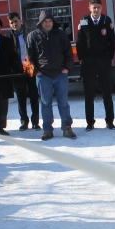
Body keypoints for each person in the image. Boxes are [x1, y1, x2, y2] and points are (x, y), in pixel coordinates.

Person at [26, 10, 75, 140]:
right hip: (43, 76)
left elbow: (68, 53)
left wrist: (67, 68)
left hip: (60, 74)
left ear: (53, 22)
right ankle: (47, 130)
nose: (47, 24)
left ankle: (67, 127)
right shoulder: (33, 36)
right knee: (46, 103)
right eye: (45, 21)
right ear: (40, 22)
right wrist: (36, 71)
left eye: (49, 21)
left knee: (63, 103)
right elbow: (29, 57)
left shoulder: (61, 35)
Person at [76, 0, 115, 131]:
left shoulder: (106, 20)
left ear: (101, 8)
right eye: (94, 7)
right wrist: (82, 58)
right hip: (89, 62)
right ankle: (90, 122)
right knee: (89, 93)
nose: (96, 10)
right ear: (89, 8)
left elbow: (112, 40)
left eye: (98, 7)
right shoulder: (84, 20)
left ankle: (109, 121)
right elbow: (80, 41)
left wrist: (109, 57)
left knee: (107, 92)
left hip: (104, 60)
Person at [4, 11, 40, 131]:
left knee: (34, 96)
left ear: (20, 21)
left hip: (30, 69)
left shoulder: (29, 33)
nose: (14, 24)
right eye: (11, 22)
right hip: (17, 71)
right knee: (21, 97)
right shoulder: (8, 38)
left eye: (16, 21)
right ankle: (24, 121)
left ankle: (35, 122)